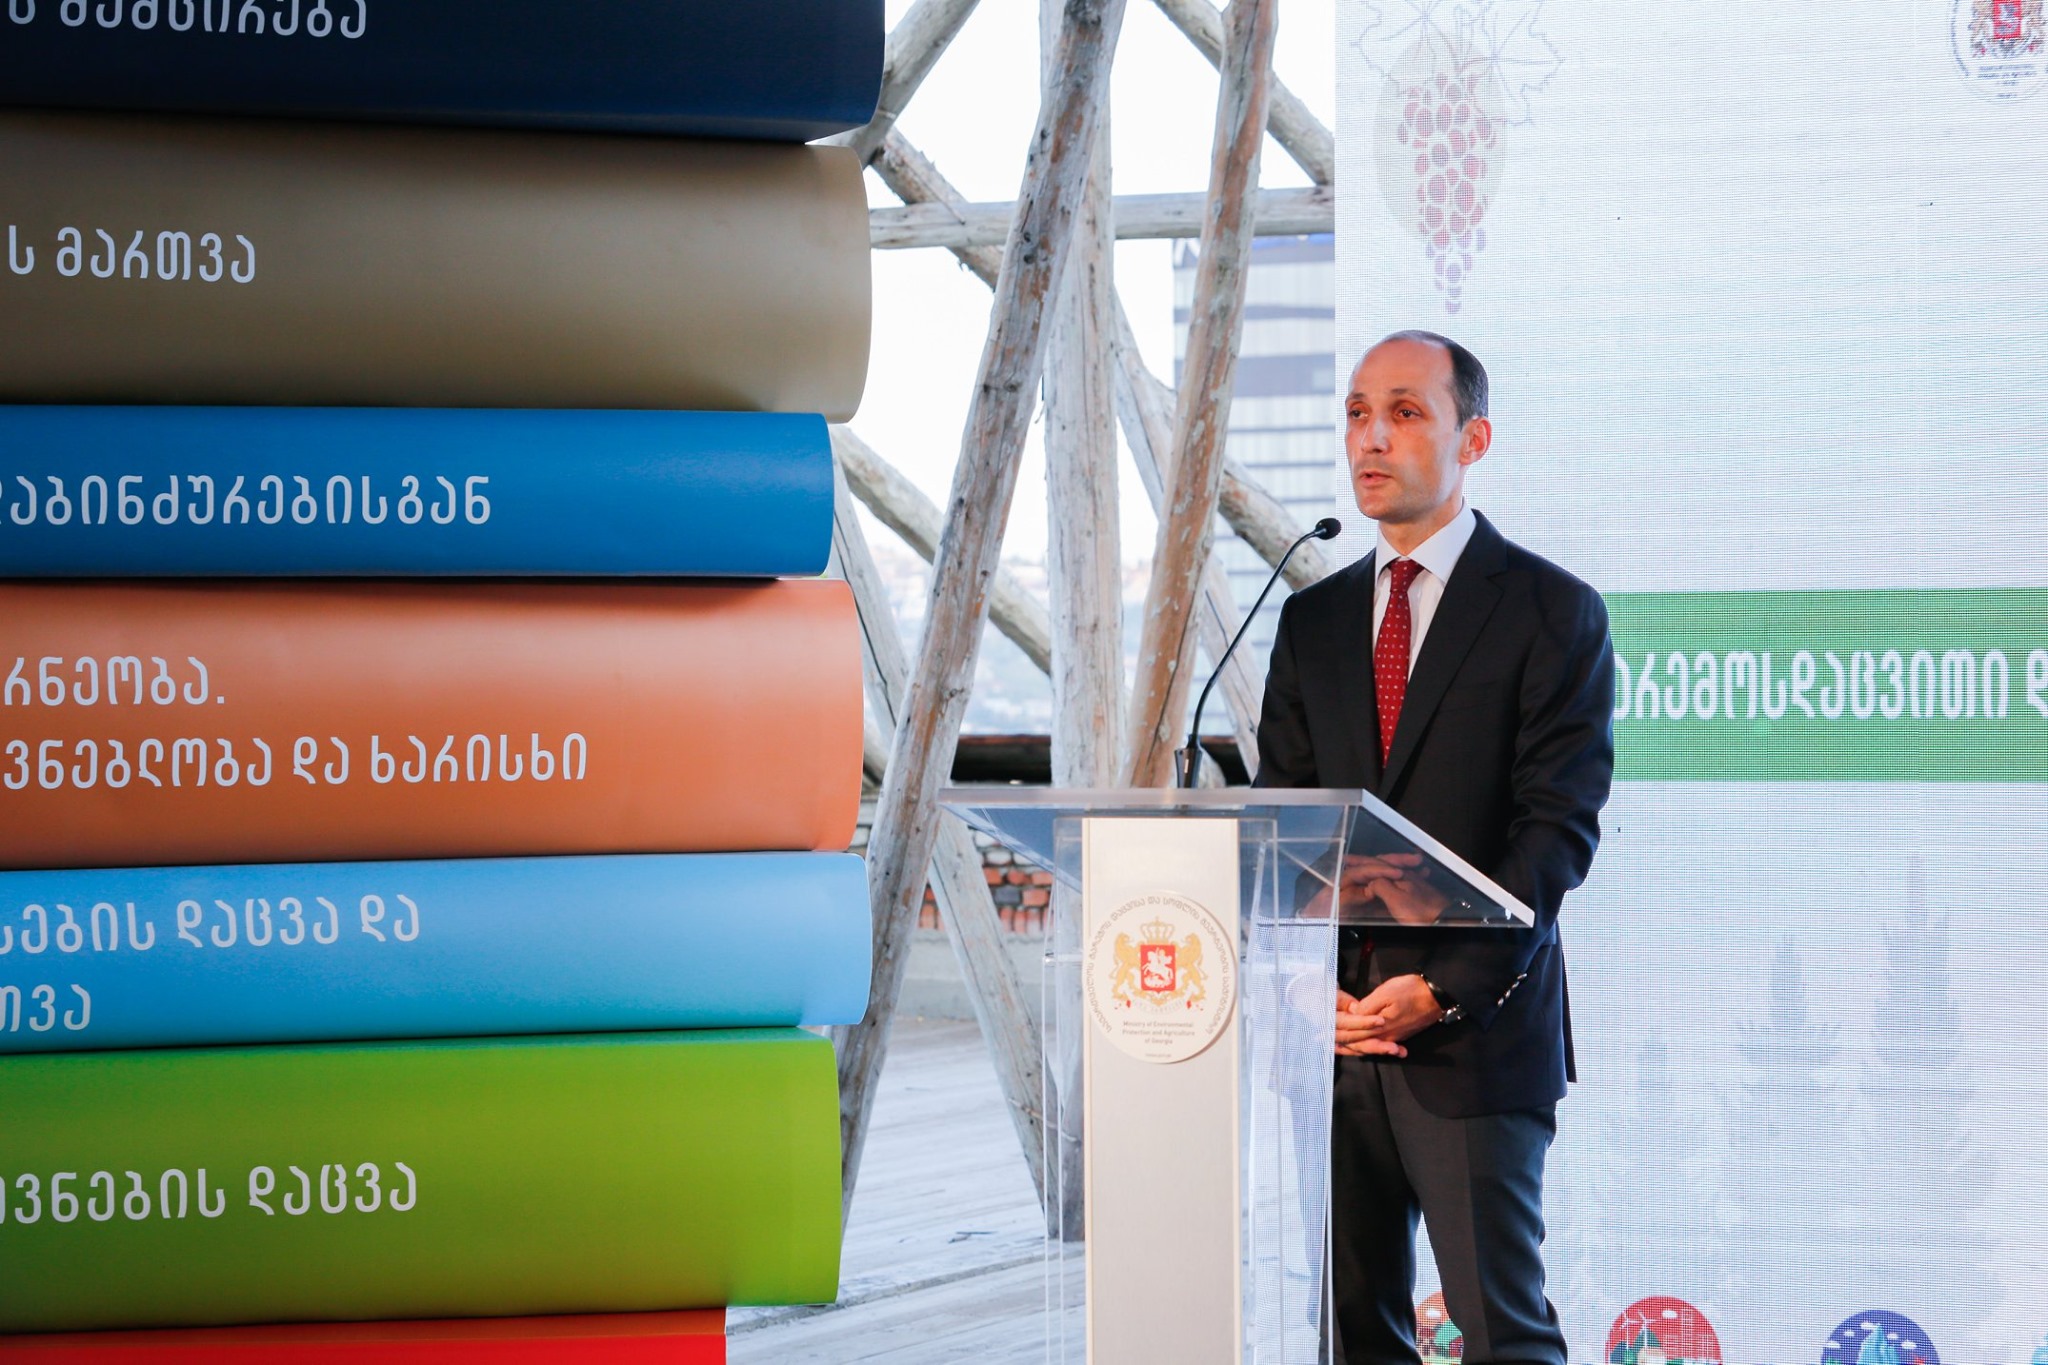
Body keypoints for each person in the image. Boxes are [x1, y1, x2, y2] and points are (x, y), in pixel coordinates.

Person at [1255, 331, 1615, 1365]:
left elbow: (1553, 832)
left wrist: (1444, 987)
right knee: (1350, 1332)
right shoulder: (1313, 620)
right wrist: (1302, 985)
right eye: (1357, 413)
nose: (1371, 438)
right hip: (1330, 1036)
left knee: (1501, 1332)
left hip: (1472, 1036)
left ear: (1474, 439)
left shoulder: (1550, 611)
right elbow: (1284, 823)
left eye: (1405, 412)